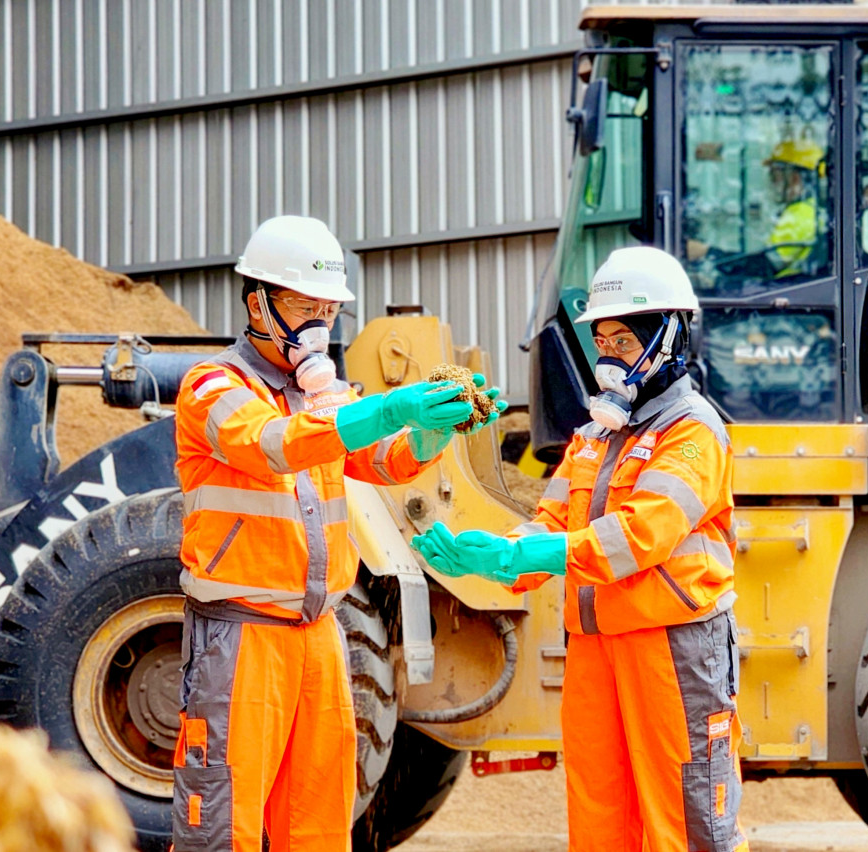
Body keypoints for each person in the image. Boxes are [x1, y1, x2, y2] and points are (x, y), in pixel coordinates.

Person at [170, 214, 503, 852]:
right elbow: (275, 446)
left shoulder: (319, 398)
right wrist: (390, 406)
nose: (316, 324)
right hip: (241, 637)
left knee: (320, 821)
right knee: (222, 820)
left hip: (319, 635)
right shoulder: (213, 387)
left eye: (327, 309)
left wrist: (427, 434)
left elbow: (380, 459)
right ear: (257, 303)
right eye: (302, 306)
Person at [412, 246, 747, 852]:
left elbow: (639, 536)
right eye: (602, 341)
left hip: (672, 648)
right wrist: (497, 552)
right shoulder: (593, 437)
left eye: (623, 340)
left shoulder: (693, 431)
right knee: (599, 816)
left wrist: (522, 558)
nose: (608, 357)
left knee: (686, 817)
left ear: (668, 336)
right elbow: (551, 519)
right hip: (595, 649)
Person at [688, 136, 824, 282]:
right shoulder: (809, 210)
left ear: (794, 178)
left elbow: (763, 267)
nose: (771, 182)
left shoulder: (801, 215)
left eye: (775, 175)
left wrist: (706, 252)